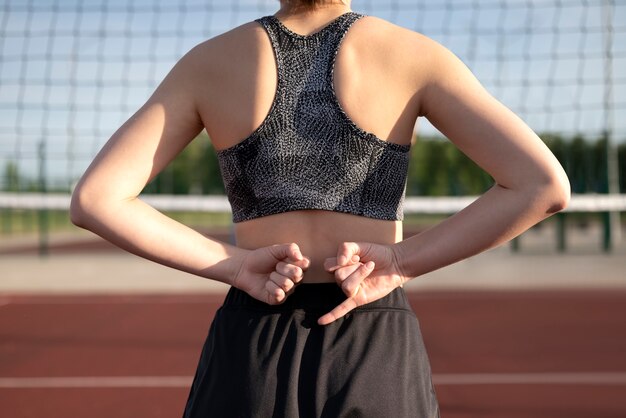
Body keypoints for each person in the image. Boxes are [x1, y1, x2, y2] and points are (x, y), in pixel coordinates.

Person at [69, 0, 570, 416]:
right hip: (371, 337)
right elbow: (542, 185)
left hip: (254, 335)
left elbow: (96, 200)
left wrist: (238, 264)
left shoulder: (211, 61)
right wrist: (399, 262)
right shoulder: (413, 55)